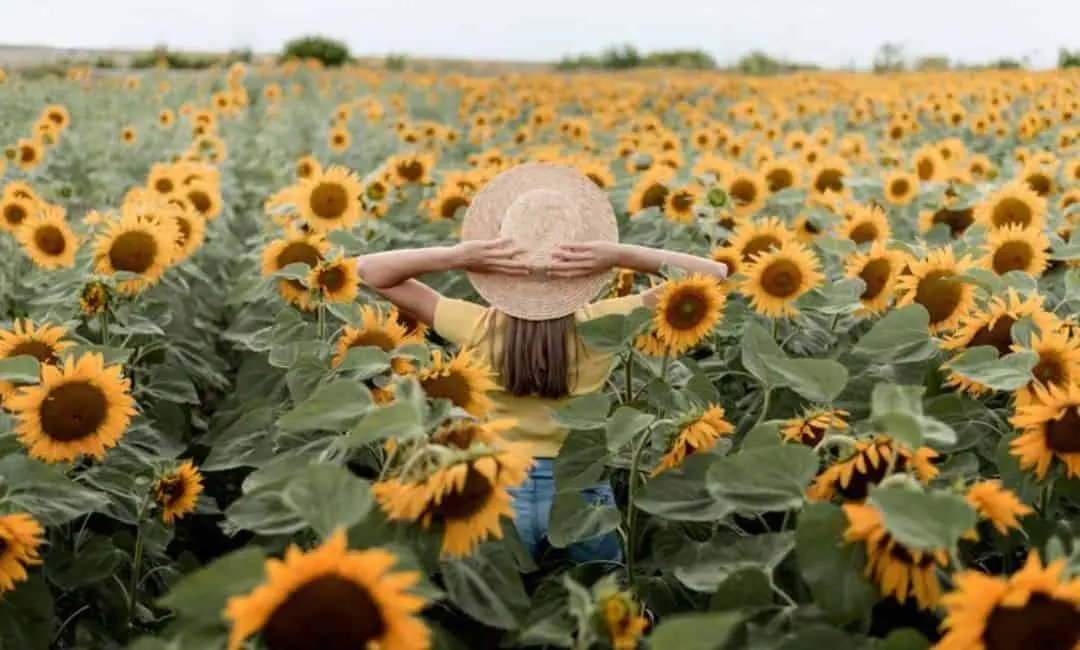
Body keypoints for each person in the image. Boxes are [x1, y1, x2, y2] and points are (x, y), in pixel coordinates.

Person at [354, 163, 727, 565]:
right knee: (591, 600)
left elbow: (371, 272)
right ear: (583, 268)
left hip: (495, 491)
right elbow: (714, 275)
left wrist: (456, 256)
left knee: (506, 610)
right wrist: (620, 255)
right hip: (579, 494)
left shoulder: (475, 325)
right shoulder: (605, 325)